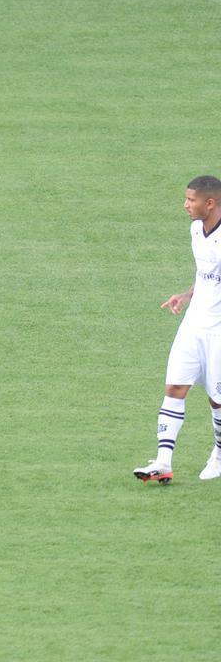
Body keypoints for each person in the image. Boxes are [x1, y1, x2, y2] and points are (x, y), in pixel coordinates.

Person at [135, 175, 221, 484]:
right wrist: (186, 296)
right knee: (174, 387)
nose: (185, 205)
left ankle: (219, 455)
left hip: (218, 333)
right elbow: (206, 274)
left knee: (217, 400)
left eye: (191, 200)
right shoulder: (196, 229)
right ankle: (162, 462)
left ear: (209, 203)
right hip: (193, 325)